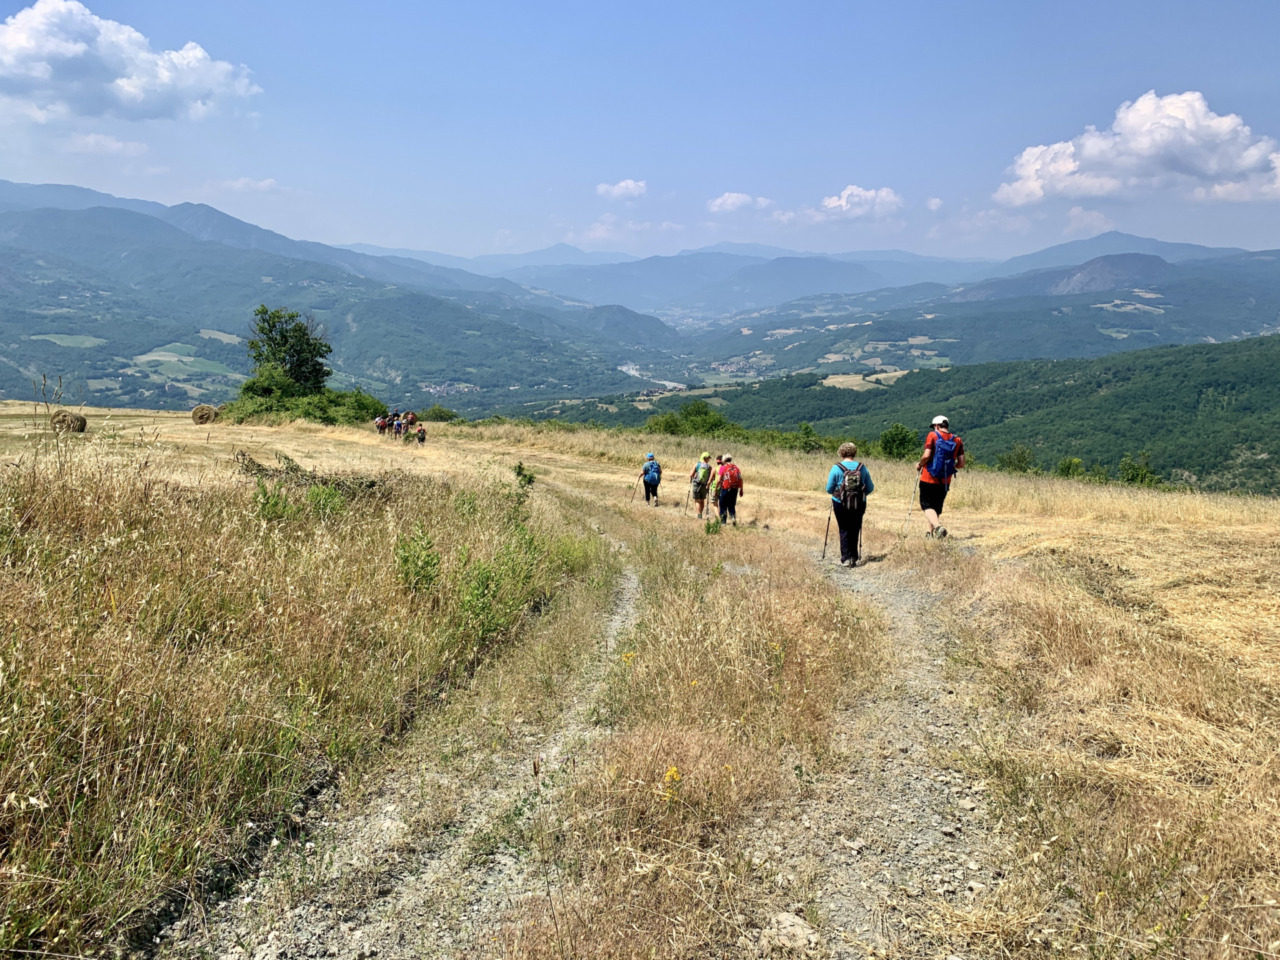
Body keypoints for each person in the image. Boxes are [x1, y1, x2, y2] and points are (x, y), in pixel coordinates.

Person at [825, 441, 874, 566]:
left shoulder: (836, 468)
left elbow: (829, 489)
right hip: (859, 504)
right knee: (855, 528)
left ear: (841, 453)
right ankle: (853, 557)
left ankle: (846, 558)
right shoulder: (862, 468)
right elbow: (870, 487)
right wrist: (859, 496)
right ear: (854, 453)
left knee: (844, 528)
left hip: (840, 503)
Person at [917, 415, 964, 539]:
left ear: (937, 426)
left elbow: (926, 455)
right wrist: (949, 467)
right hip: (945, 480)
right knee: (936, 507)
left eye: (934, 426)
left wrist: (920, 464)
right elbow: (961, 464)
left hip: (928, 477)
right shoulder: (957, 440)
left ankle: (938, 527)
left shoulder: (932, 435)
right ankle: (930, 533)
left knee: (927, 506)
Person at [717, 454, 743, 525]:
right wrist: (741, 489)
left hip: (725, 488)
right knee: (731, 505)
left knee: (723, 505)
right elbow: (740, 479)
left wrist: (716, 488)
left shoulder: (723, 468)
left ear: (724, 460)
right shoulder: (736, 468)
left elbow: (719, 480)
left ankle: (723, 522)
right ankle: (733, 517)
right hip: (734, 489)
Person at [689, 452, 714, 519]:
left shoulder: (697, 465)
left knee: (697, 500)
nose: (709, 460)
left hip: (696, 484)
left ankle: (699, 515)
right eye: (708, 458)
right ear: (706, 458)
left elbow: (691, 475)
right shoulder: (709, 467)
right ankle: (700, 513)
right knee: (702, 500)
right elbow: (712, 476)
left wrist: (692, 473)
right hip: (704, 485)